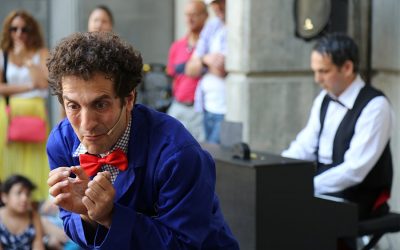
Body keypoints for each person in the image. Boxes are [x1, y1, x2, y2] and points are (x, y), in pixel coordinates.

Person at [46, 32, 239, 249]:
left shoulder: (179, 154)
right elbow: (71, 221)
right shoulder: (60, 142)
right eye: (73, 106)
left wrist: (110, 216)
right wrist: (88, 216)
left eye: (100, 105)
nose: (86, 124)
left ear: (129, 99)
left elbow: (183, 245)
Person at [282, 33, 393, 221]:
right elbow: (304, 146)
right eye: (315, 71)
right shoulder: (323, 99)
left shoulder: (375, 105)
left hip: (358, 194)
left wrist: (307, 186)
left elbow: (354, 170)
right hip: (323, 185)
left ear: (347, 67)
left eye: (324, 71)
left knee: (295, 213)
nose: (317, 79)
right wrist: (276, 170)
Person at [0, 10, 49, 202]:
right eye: (14, 29)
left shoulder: (41, 53)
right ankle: (9, 200)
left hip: (35, 113)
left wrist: (28, 62)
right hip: (9, 116)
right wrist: (29, 86)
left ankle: (33, 201)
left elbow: (44, 84)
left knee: (35, 159)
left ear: (32, 31)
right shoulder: (3, 54)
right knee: (9, 159)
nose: (19, 34)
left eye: (24, 29)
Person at [166, 0, 208, 142]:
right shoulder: (177, 46)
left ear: (205, 16)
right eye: (187, 14)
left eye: (194, 14)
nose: (190, 19)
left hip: (199, 110)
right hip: (178, 106)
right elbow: (172, 77)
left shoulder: (209, 45)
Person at [186, 0, 227, 144]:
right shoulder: (212, 26)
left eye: (221, 2)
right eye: (214, 3)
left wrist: (201, 61)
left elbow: (223, 70)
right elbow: (190, 68)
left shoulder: (236, 25)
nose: (217, 7)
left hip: (226, 110)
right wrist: (206, 60)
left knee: (221, 161)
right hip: (206, 106)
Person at [0, 174, 45, 250]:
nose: (24, 198)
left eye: (28, 194)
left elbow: (38, 246)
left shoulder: (33, 216)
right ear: (4, 197)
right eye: (19, 193)